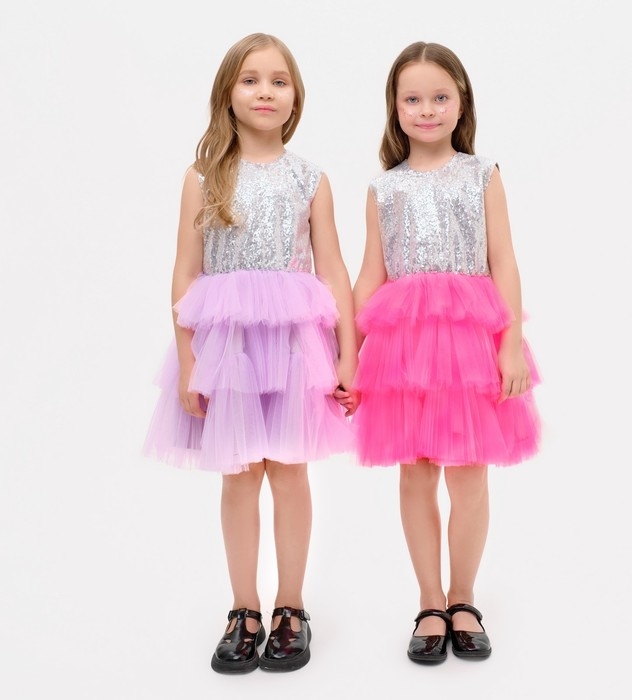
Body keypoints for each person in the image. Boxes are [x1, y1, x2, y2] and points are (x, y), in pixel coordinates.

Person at [143, 32, 357, 674]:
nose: (266, 91)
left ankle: (292, 607)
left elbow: (333, 269)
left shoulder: (310, 178)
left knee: (289, 471)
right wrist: (189, 360)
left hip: (294, 346)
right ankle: (244, 609)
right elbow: (185, 272)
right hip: (228, 347)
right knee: (239, 474)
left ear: (296, 97)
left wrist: (346, 354)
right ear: (228, 94)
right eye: (251, 80)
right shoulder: (203, 178)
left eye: (279, 81)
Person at [352, 41, 541, 664]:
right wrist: (348, 354)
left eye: (440, 97)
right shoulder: (384, 188)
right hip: (403, 347)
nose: (427, 109)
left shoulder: (482, 174)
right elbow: (370, 273)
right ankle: (430, 600)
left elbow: (504, 261)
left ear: (461, 103)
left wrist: (510, 344)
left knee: (468, 474)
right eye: (413, 99)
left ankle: (463, 597)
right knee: (415, 472)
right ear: (395, 107)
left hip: (469, 343)